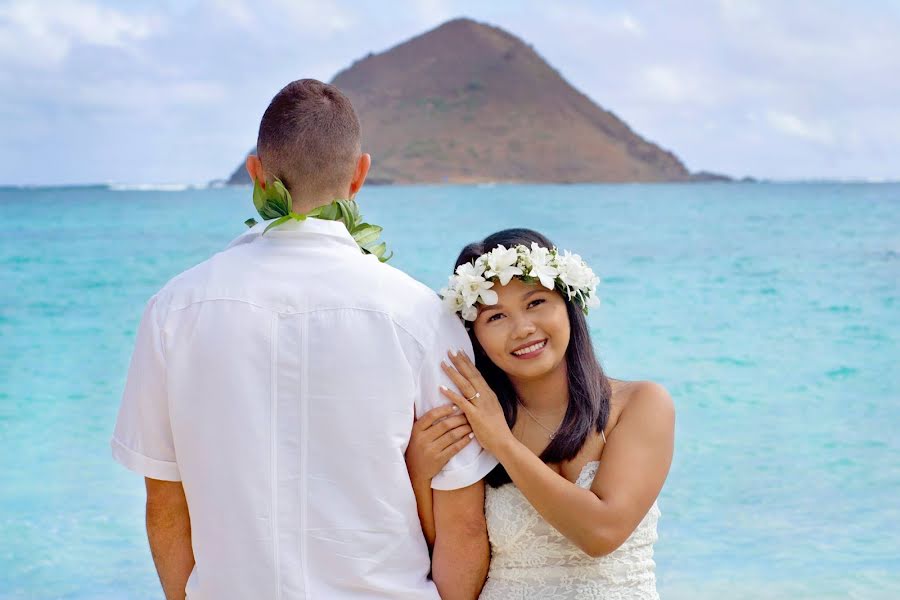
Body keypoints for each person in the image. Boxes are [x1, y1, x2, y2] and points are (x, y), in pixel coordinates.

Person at [110, 79, 497, 600]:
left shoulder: (172, 310)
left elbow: (165, 507)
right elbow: (463, 525)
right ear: (360, 174)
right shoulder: (421, 315)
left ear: (256, 175)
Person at [406, 228, 675, 599]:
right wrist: (419, 473)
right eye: (495, 317)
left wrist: (501, 442)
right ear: (474, 335)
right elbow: (452, 556)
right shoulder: (469, 420)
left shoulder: (641, 404)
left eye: (535, 303)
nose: (523, 329)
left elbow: (602, 533)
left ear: (569, 301)